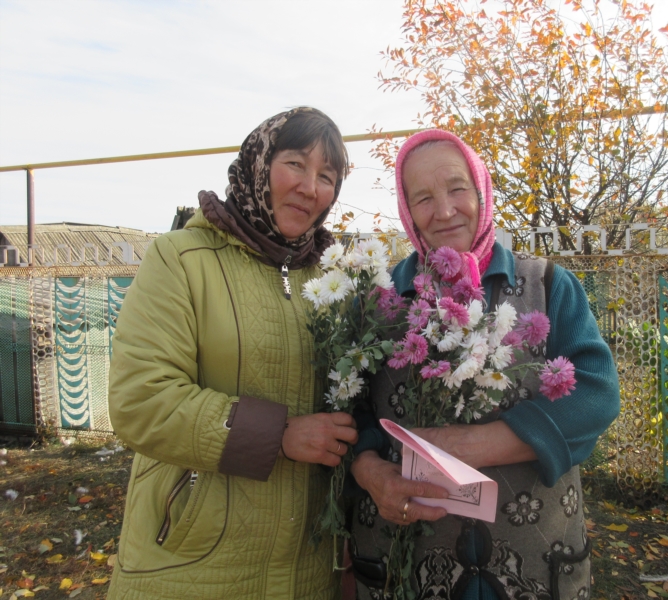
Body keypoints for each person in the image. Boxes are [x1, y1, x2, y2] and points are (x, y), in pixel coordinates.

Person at [348, 130, 620, 600]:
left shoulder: (547, 285)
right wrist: (372, 474)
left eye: (457, 188)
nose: (445, 210)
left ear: (481, 190)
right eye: (424, 198)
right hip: (409, 563)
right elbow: (353, 417)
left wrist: (469, 444)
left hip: (536, 561)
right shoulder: (381, 300)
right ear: (407, 210)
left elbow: (596, 395)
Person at [107, 107, 358, 600]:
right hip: (191, 562)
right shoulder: (181, 259)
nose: (311, 187)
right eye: (295, 164)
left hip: (308, 571)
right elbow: (141, 401)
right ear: (258, 165)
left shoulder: (335, 281)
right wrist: (279, 434)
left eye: (327, 176)